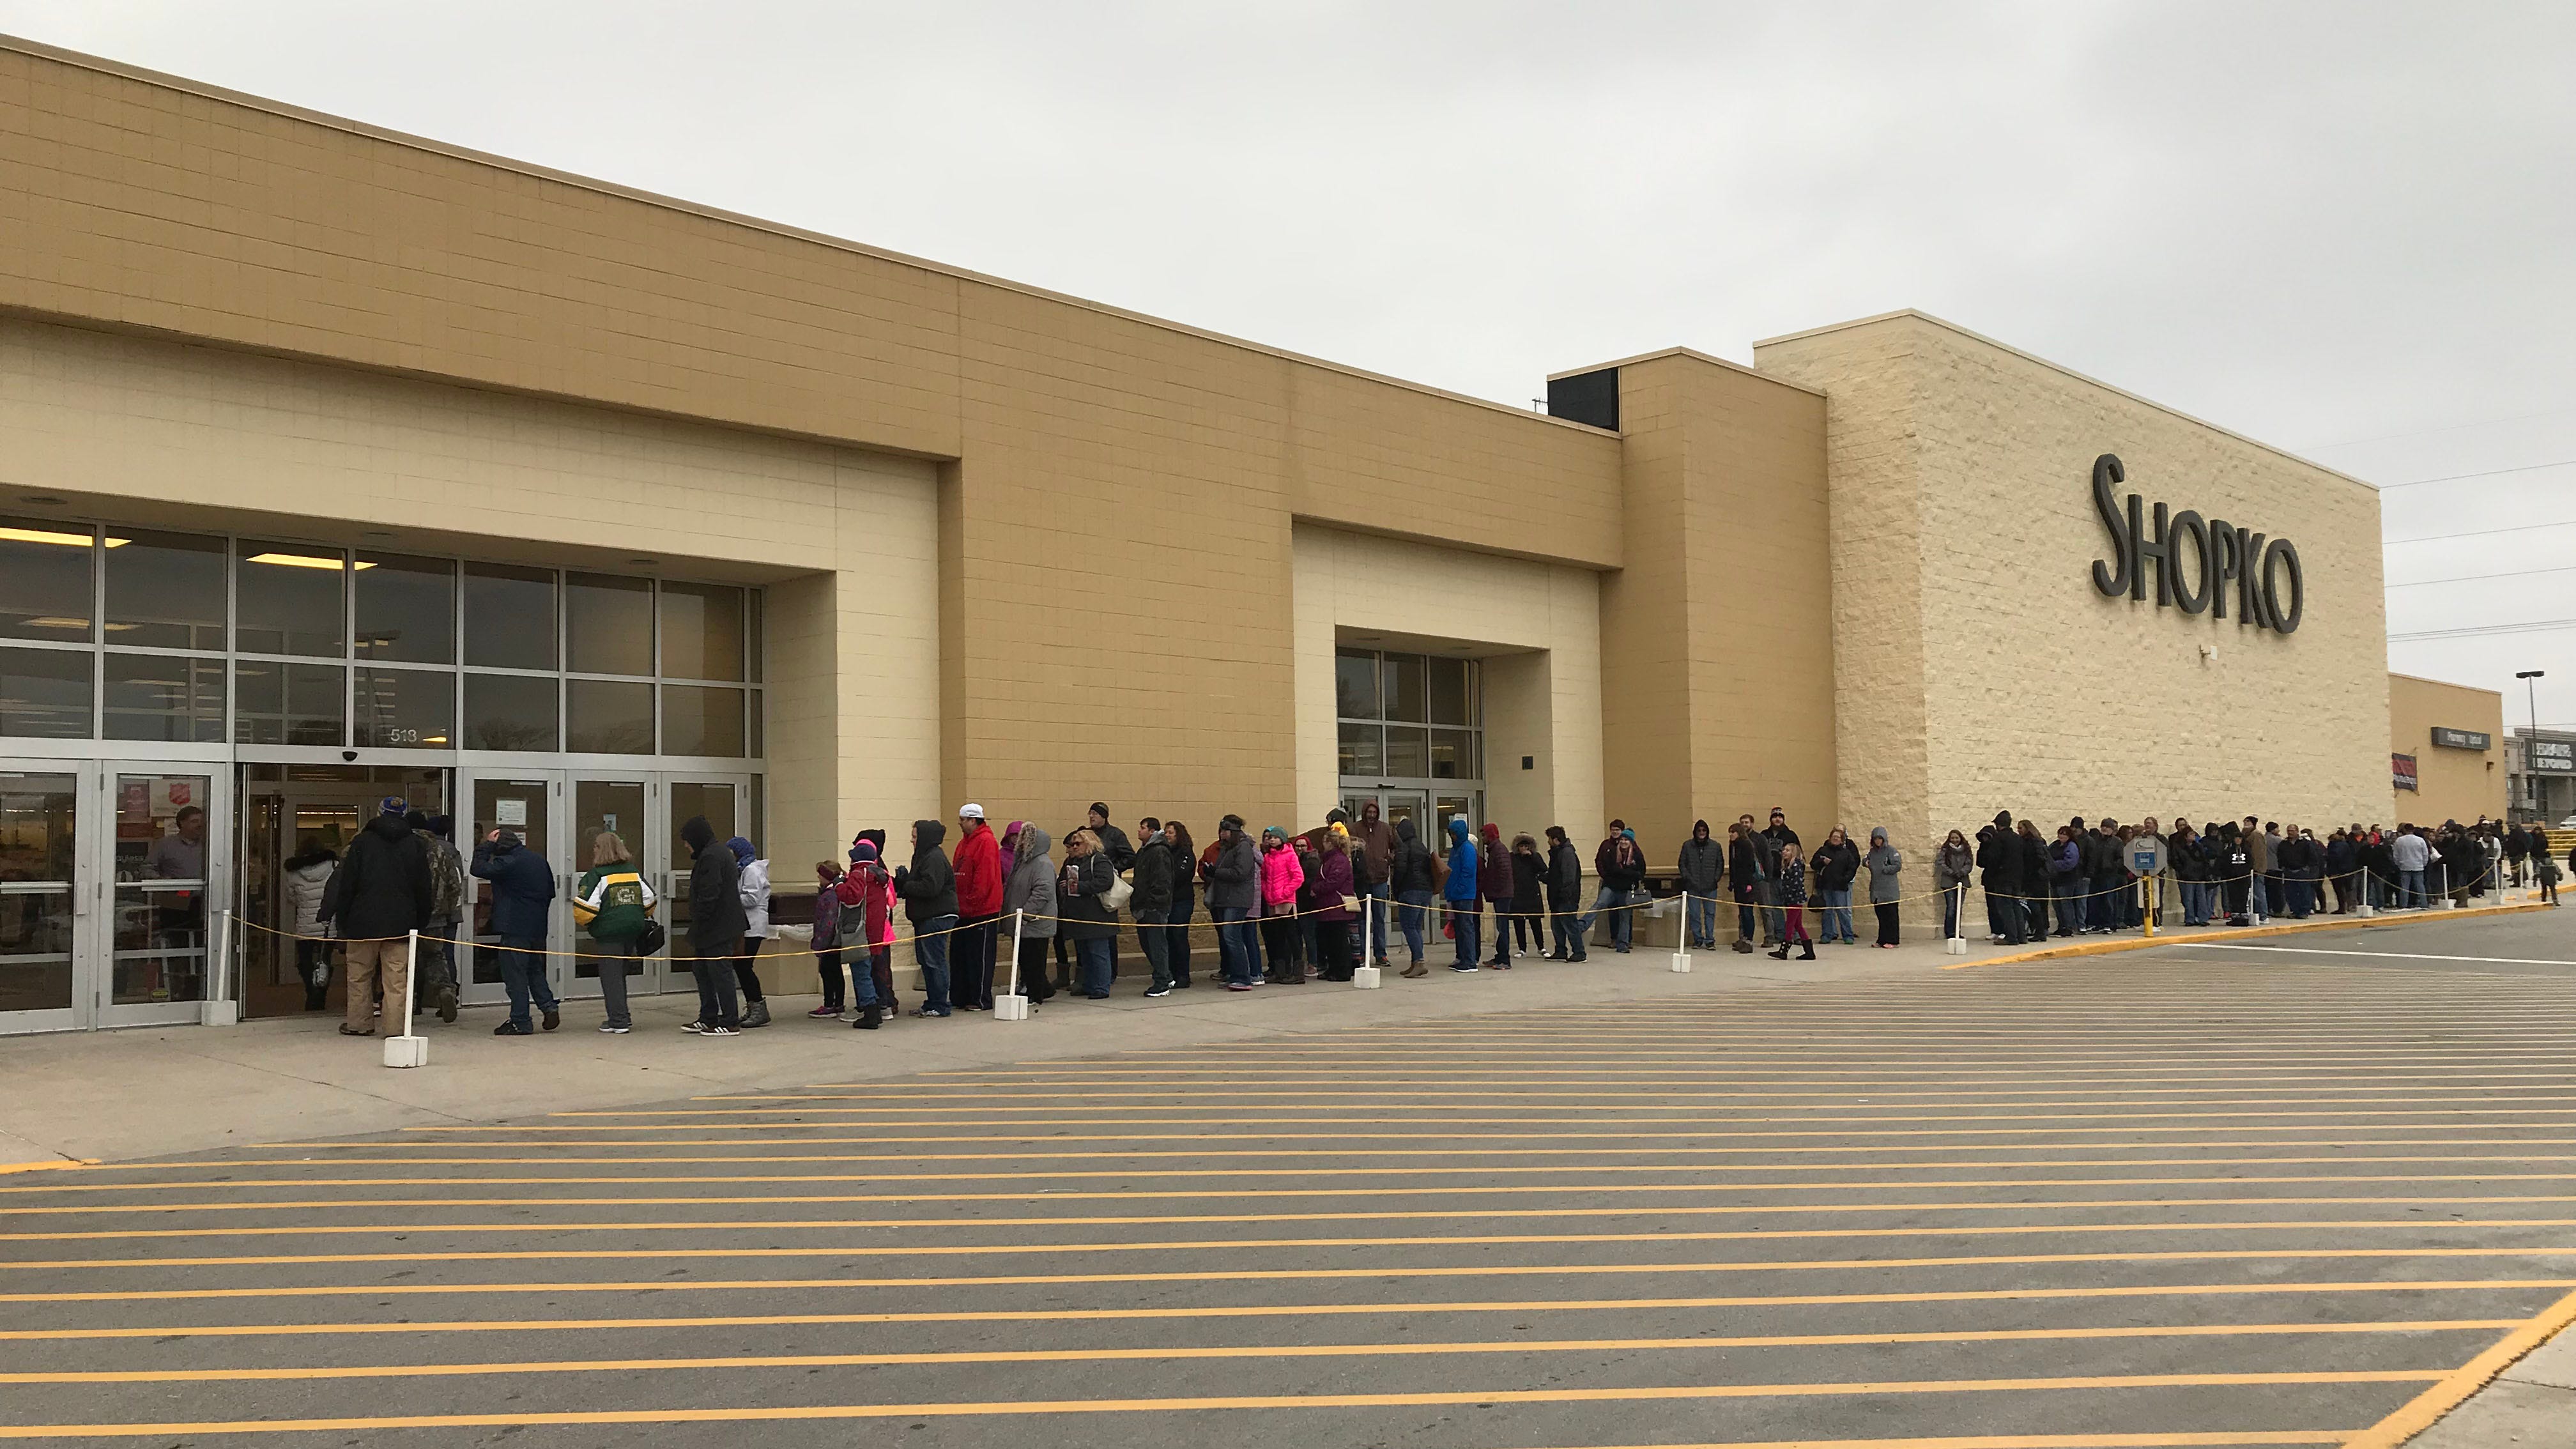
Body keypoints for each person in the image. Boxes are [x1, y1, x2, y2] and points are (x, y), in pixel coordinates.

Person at [328, 797, 433, 1038]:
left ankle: (359, 1023)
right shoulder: (416, 844)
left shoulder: (361, 842)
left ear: (379, 813)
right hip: (402, 922)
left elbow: (348, 885)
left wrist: (343, 919)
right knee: (396, 981)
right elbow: (424, 888)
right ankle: (395, 1030)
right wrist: (420, 921)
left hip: (362, 921)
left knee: (359, 975)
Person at [471, 827, 558, 1036]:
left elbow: (478, 868)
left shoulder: (508, 862)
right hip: (538, 925)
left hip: (514, 926)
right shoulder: (538, 860)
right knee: (534, 968)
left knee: (515, 974)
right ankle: (548, 1006)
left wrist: (486, 846)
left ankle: (520, 1020)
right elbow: (550, 892)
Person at [571, 832, 654, 1034]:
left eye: (596, 846)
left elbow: (583, 911)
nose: (593, 850)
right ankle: (623, 1015)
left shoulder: (598, 876)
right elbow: (650, 900)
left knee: (611, 977)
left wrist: (590, 924)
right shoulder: (633, 872)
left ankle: (618, 1021)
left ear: (602, 850)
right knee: (620, 974)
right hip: (633, 930)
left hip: (609, 933)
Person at [678, 815, 746, 1035]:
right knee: (702, 970)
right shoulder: (715, 853)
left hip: (717, 927)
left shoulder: (712, 856)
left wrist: (700, 919)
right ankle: (708, 1016)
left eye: (687, 841)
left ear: (696, 838)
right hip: (713, 926)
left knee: (720, 973)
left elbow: (710, 893)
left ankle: (730, 1020)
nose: (686, 846)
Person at [398, 811, 464, 1024]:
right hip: (435, 917)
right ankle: (445, 990)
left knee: (404, 960)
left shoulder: (401, 847)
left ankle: (410, 1003)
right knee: (435, 956)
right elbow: (455, 884)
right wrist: (446, 908)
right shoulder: (439, 849)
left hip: (406, 915)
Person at [894, 819, 958, 1016]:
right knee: (926, 961)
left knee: (934, 961)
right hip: (925, 916)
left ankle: (940, 1004)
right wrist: (904, 882)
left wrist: (906, 885)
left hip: (936, 916)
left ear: (924, 838)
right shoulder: (922, 856)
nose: (912, 840)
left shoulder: (934, 857)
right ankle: (932, 1002)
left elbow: (931, 887)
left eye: (915, 837)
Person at [839, 837, 900, 1027]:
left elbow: (853, 898)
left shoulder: (859, 873)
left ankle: (870, 1013)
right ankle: (877, 1009)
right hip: (877, 930)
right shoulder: (880, 876)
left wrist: (839, 885)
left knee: (861, 972)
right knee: (872, 971)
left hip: (861, 930)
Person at [950, 804, 1004, 1014]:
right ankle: (961, 995)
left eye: (963, 819)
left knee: (979, 957)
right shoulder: (964, 843)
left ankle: (980, 998)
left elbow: (984, 878)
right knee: (961, 956)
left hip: (982, 910)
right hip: (963, 909)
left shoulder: (986, 842)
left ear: (973, 820)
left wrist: (972, 902)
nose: (960, 823)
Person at [997, 822, 1056, 1009]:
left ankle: (1035, 994)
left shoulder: (1043, 864)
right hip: (1021, 921)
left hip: (1034, 922)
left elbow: (1043, 891)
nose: (1020, 843)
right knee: (1025, 959)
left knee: (1034, 960)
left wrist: (1026, 914)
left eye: (1025, 840)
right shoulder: (1023, 862)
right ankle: (1042, 988)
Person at [1059, 827, 1119, 999]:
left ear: (1089, 843)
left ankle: (1102, 987)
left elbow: (1105, 881)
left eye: (1078, 844)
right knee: (1085, 953)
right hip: (1079, 914)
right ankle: (1089, 984)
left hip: (1096, 915)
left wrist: (1080, 887)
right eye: (1073, 844)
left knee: (1098, 952)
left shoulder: (1100, 860)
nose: (1074, 847)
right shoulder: (1075, 862)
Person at [1208, 815, 1262, 990]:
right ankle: (1234, 974)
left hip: (1237, 899)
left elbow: (1240, 873)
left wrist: (1216, 872)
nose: (1222, 834)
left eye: (1225, 831)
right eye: (1221, 831)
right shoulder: (1228, 848)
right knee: (1229, 938)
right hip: (1226, 898)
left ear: (1234, 832)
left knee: (1233, 937)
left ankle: (1243, 978)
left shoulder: (1244, 848)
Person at [724, 837, 774, 1028]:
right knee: (741, 967)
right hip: (744, 926)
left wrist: (729, 898)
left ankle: (759, 1007)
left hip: (753, 926)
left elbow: (752, 898)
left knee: (744, 967)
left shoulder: (752, 870)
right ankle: (753, 1006)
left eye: (731, 852)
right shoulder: (742, 870)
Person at [282, 838, 337, 1011]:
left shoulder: (293, 872)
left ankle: (310, 989)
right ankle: (320, 993)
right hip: (328, 925)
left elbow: (291, 898)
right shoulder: (334, 866)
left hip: (305, 925)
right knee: (324, 961)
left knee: (305, 962)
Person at [1130, 816, 1177, 997]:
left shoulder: (1159, 851)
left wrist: (1153, 902)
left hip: (1154, 907)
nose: (1139, 830)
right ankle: (1166, 975)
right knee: (1147, 943)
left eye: (1142, 827)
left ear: (1152, 831)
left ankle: (1162, 982)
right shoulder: (1144, 851)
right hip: (1143, 905)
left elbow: (1162, 881)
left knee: (1157, 944)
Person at [1583, 820, 1646, 954]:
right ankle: (1581, 926)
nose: (1623, 842)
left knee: (1625, 916)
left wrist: (1623, 872)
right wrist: (1619, 873)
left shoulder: (1636, 854)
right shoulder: (1611, 850)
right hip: (1611, 886)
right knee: (1599, 904)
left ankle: (1623, 944)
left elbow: (1640, 873)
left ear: (1631, 842)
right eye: (1622, 840)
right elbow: (1608, 867)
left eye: (1626, 840)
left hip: (1627, 889)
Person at [1388, 817, 1438, 977]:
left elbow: (1400, 870)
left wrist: (1395, 891)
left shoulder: (1404, 847)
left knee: (1409, 927)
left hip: (1410, 890)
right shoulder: (1421, 846)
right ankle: (1415, 962)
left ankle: (1419, 962)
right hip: (1425, 891)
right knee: (1416, 927)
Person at [1257, 826, 1307, 985]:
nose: (1272, 840)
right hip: (1272, 901)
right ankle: (1280, 972)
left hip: (1286, 902)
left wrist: (1285, 892)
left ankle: (1298, 972)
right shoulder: (1268, 857)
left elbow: (1298, 877)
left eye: (1275, 837)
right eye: (1270, 837)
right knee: (1277, 936)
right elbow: (1264, 877)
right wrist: (1267, 892)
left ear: (1282, 839)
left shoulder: (1290, 855)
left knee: (1292, 936)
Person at [1351, 802, 1398, 969]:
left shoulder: (1386, 829)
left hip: (1380, 880)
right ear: (1364, 812)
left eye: (1374, 812)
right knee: (1361, 919)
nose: (1371, 815)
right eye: (1369, 812)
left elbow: (1397, 848)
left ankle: (1381, 954)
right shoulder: (1354, 829)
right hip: (1362, 880)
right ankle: (1362, 953)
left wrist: (1388, 860)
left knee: (1379, 918)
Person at [1315, 822, 1359, 981]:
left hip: (1337, 905)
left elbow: (1334, 881)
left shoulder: (1339, 860)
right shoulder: (1328, 859)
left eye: (1324, 842)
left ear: (1329, 843)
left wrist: (1316, 888)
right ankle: (1333, 968)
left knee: (1339, 940)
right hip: (1328, 905)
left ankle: (1343, 971)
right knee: (1329, 940)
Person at [1975, 812, 2027, 947]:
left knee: (2006, 908)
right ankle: (2021, 936)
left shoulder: (1999, 838)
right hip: (2017, 878)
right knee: (2016, 906)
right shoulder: (2017, 838)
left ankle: (2011, 937)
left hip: (2002, 878)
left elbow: (1993, 859)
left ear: (1998, 825)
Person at [808, 861, 848, 1018]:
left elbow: (828, 922)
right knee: (834, 972)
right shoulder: (831, 893)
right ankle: (837, 1004)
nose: (818, 877)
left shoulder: (830, 896)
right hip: (833, 941)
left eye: (821, 874)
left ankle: (831, 1004)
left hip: (830, 942)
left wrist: (821, 943)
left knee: (828, 971)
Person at [1677, 820, 1726, 950]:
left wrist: (1715, 879)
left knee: (1710, 913)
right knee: (1694, 914)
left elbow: (1720, 864)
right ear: (1695, 832)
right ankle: (1698, 939)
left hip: (1710, 886)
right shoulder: (1687, 845)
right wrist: (1688, 879)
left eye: (1704, 830)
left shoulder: (1716, 846)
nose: (1701, 833)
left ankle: (1710, 940)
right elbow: (1682, 864)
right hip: (1693, 886)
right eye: (1699, 830)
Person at [1727, 818, 1772, 953]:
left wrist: (1749, 883)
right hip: (1738, 883)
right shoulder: (1733, 846)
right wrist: (1732, 881)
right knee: (1742, 913)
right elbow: (1733, 865)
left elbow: (1749, 866)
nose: (1731, 835)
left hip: (1748, 883)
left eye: (1733, 832)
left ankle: (1749, 941)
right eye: (1730, 832)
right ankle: (1743, 938)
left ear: (1739, 833)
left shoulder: (1746, 845)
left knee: (1748, 913)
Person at [1442, 817, 1481, 972]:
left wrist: (1458, 889)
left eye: (1454, 834)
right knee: (1459, 928)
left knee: (1466, 927)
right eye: (1451, 834)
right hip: (1455, 894)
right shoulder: (1455, 850)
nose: (1452, 837)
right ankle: (1462, 958)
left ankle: (1470, 961)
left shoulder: (1467, 849)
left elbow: (1468, 872)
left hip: (1464, 895)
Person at [1543, 825, 1586, 962]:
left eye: (1549, 839)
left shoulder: (1567, 853)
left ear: (1556, 840)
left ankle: (1579, 952)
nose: (1548, 842)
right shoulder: (1557, 853)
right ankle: (1561, 950)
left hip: (1566, 897)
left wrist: (1565, 893)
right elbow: (1554, 875)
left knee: (1570, 924)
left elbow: (1569, 877)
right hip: (1557, 896)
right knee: (1557, 925)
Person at [1162, 820, 1197, 988]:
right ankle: (1171, 973)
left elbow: (1182, 875)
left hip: (1182, 900)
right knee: (1168, 937)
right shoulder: (1164, 851)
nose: (1167, 835)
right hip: (1168, 900)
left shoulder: (1186, 853)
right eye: (1166, 832)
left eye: (1171, 832)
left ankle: (1183, 975)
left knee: (1179, 936)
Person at [1768, 838, 1815, 960]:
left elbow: (1796, 883)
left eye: (1788, 850)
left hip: (1795, 899)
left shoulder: (1796, 865)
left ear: (1793, 853)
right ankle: (1809, 952)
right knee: (1798, 925)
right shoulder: (1787, 866)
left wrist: (1789, 894)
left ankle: (1783, 950)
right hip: (1791, 898)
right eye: (1784, 850)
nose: (1784, 852)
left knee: (1790, 924)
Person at [1477, 822, 1515, 967]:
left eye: (1484, 835)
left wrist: (1495, 889)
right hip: (1501, 893)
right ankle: (1500, 956)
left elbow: (1504, 872)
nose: (1483, 839)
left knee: (1502, 927)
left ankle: (1505, 959)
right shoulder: (1495, 850)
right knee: (1501, 927)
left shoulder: (1499, 850)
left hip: (1502, 895)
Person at [1506, 832, 1545, 958]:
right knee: (1519, 921)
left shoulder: (1535, 856)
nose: (1523, 848)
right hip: (1518, 893)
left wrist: (1532, 857)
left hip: (1532, 893)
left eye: (1526, 846)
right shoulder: (1512, 858)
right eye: (1521, 846)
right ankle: (1522, 948)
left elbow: (1543, 868)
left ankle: (1541, 946)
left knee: (1535, 920)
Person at [1928, 829, 1970, 943]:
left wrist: (1962, 872)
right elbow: (1941, 863)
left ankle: (1957, 931)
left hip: (1962, 881)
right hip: (1948, 882)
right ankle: (1950, 932)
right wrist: (1951, 872)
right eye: (1953, 838)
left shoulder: (1966, 849)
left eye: (1957, 838)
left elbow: (1969, 863)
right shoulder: (1945, 850)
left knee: (1959, 908)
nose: (1955, 840)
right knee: (1951, 907)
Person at [1865, 827, 1905, 947]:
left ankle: (1892, 940)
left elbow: (1898, 865)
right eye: (1875, 839)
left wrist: (1885, 869)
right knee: (1881, 916)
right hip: (1877, 889)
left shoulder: (1891, 851)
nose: (1878, 841)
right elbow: (1866, 859)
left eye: (1880, 839)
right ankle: (1882, 939)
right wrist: (1866, 863)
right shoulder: (1872, 852)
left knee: (1891, 916)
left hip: (1889, 889)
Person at [2047, 825, 2085, 938]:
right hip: (2055, 879)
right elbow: (2047, 856)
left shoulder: (2071, 846)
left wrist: (2054, 865)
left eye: (2064, 834)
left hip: (2067, 880)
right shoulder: (2054, 845)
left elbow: (2070, 863)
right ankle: (2061, 926)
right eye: (2060, 833)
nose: (2061, 836)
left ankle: (2069, 927)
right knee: (2057, 905)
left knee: (2066, 904)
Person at [2390, 824, 2430, 909]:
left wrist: (2399, 864)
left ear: (2405, 830)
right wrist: (2423, 864)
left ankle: (2403, 904)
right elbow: (2425, 854)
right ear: (2413, 830)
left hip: (2404, 866)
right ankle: (2424, 904)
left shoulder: (2399, 841)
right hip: (2418, 866)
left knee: (2405, 887)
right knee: (2420, 886)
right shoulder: (2420, 840)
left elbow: (2396, 855)